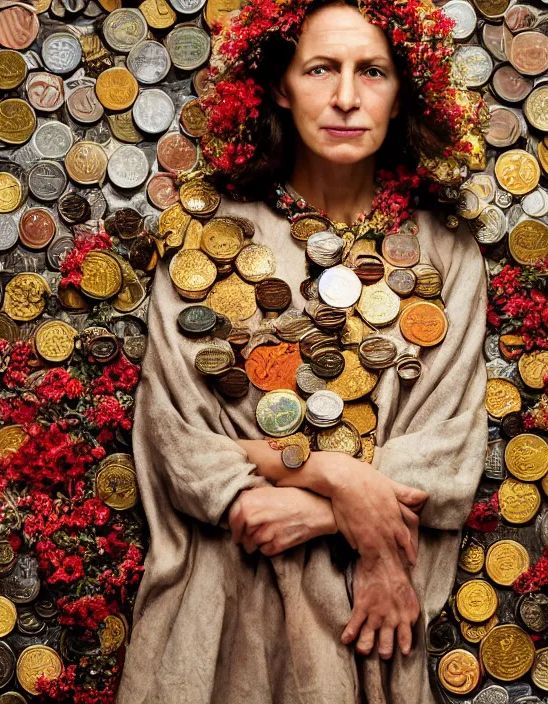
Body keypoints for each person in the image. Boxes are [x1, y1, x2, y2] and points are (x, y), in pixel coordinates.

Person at [117, 0, 489, 701]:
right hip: (221, 619)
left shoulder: (448, 250)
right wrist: (340, 478)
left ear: (403, 88)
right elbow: (181, 444)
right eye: (321, 69)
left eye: (371, 71)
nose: (346, 97)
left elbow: (448, 447)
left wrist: (341, 519)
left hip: (372, 620)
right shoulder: (203, 238)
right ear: (281, 87)